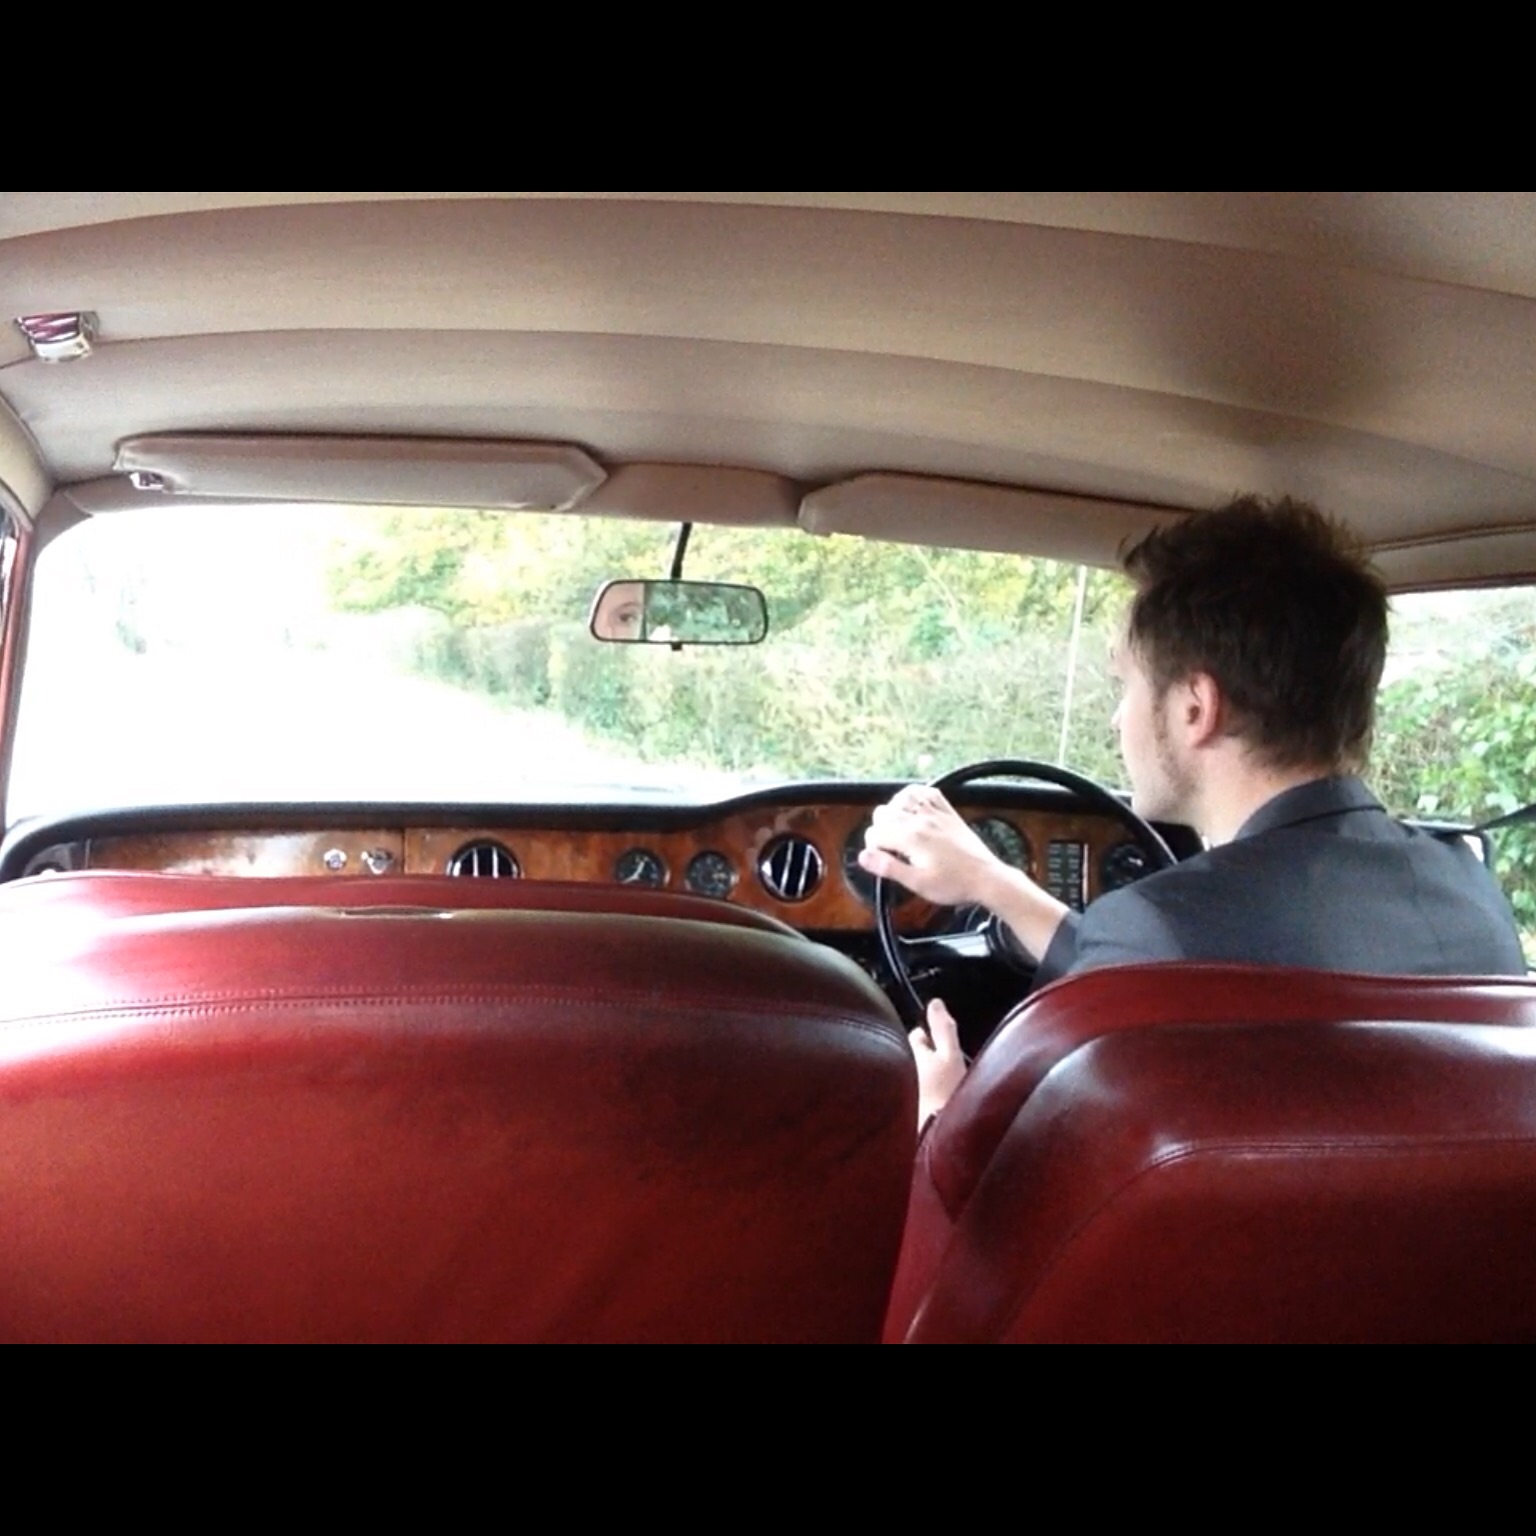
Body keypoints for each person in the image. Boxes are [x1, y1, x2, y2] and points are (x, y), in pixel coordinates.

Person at [859, 496, 1528, 1125]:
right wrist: (991, 882)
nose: (1118, 719)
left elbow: (1018, 1185)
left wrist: (941, 1110)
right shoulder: (1470, 892)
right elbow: (1143, 958)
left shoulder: (1157, 934)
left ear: (1194, 709)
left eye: (1125, 685)